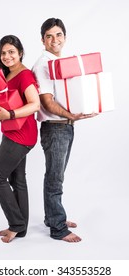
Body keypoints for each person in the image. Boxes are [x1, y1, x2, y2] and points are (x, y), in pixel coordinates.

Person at [32, 18, 97, 242]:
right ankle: (58, 228)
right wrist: (73, 116)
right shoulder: (43, 64)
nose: (54, 40)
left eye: (58, 35)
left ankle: (53, 217)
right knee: (54, 179)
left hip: (64, 127)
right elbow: (47, 102)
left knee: (55, 177)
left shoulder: (59, 62)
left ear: (65, 37)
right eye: (49, 36)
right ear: (42, 40)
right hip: (55, 127)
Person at [0, 35, 40, 243]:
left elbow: (34, 104)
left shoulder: (24, 75)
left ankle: (16, 224)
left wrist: (9, 115)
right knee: (17, 181)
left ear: (20, 52)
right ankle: (21, 228)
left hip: (21, 135)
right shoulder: (7, 75)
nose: (7, 56)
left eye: (11, 52)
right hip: (11, 132)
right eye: (3, 53)